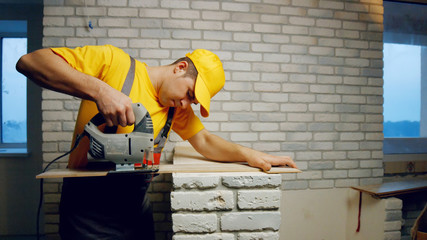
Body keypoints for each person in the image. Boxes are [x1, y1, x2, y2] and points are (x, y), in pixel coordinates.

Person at [16, 45, 297, 239]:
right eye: (189, 93)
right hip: (89, 216)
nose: (187, 103)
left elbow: (206, 142)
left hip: (136, 213)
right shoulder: (115, 64)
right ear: (180, 68)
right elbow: (29, 63)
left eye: (193, 100)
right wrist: (101, 91)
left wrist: (252, 156)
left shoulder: (177, 109)